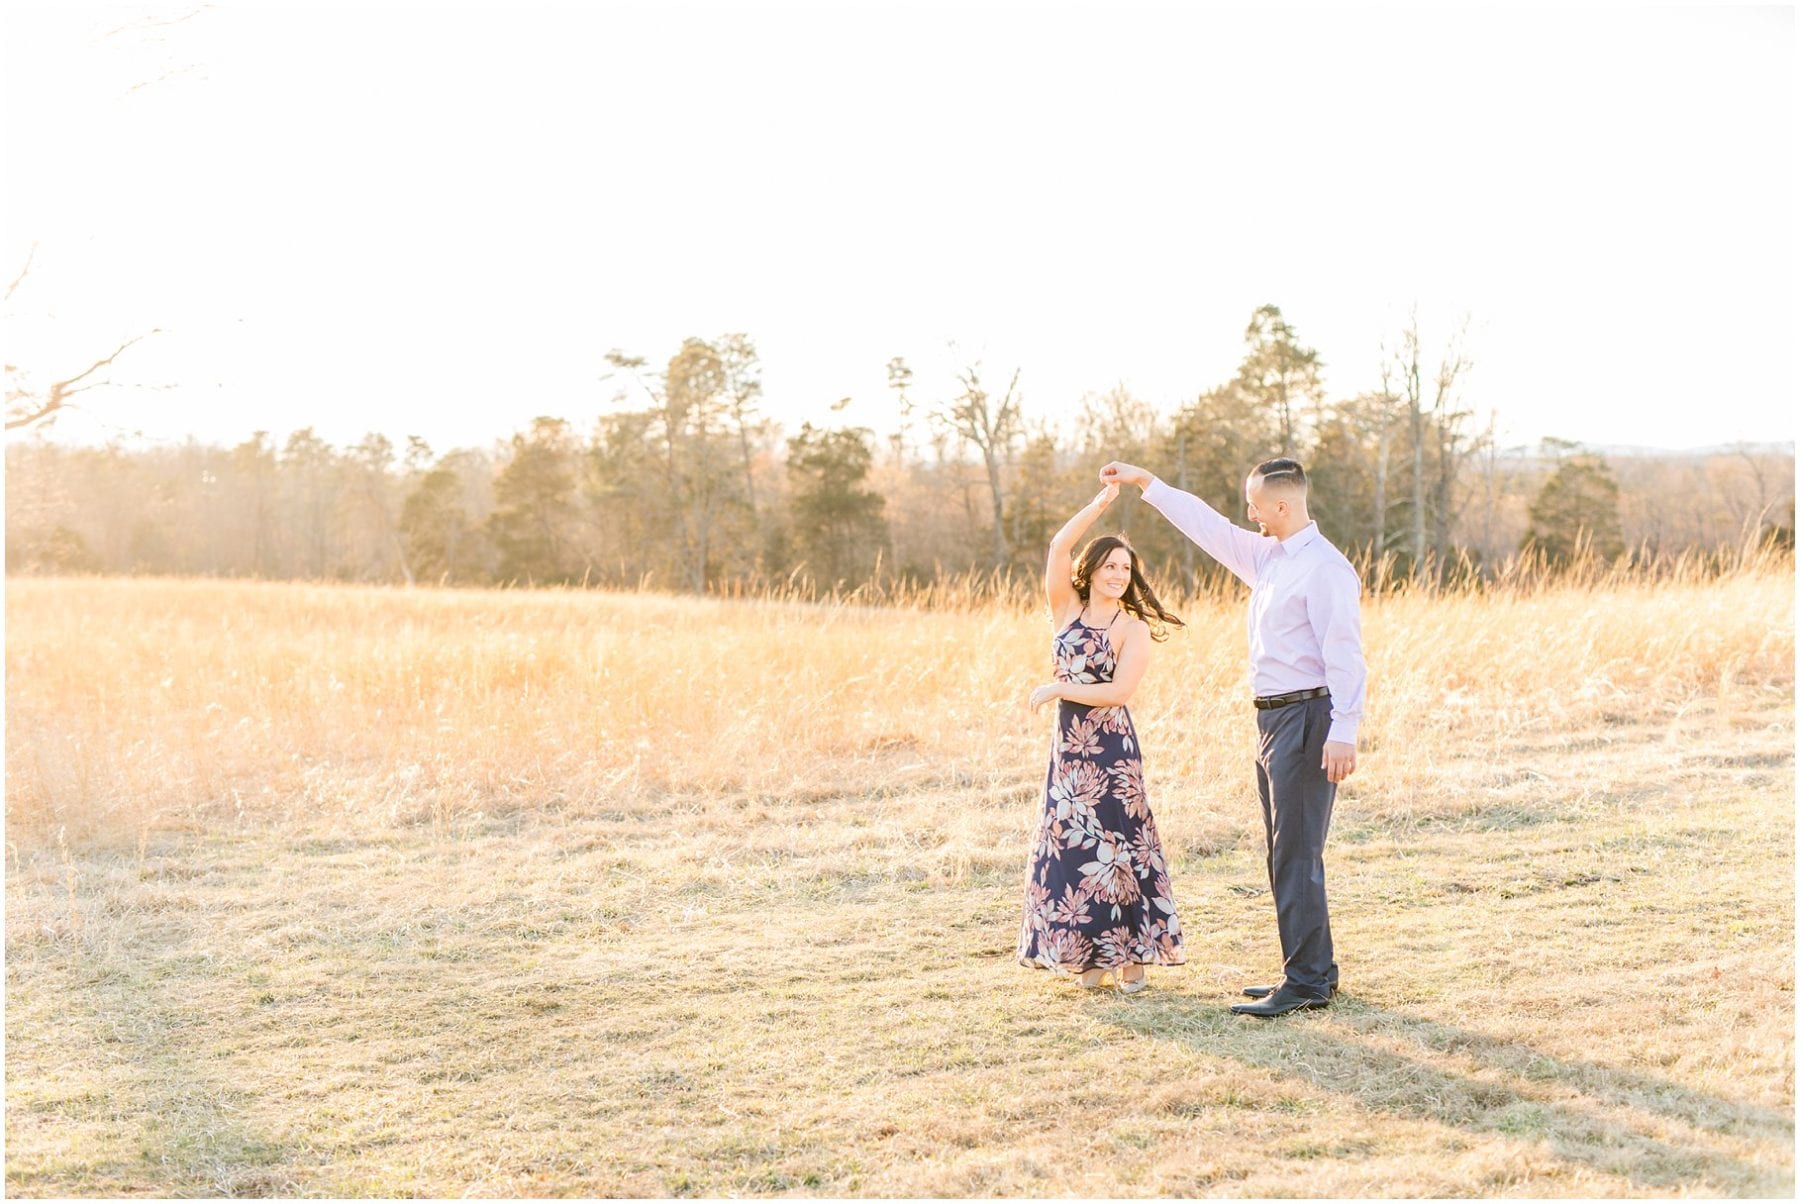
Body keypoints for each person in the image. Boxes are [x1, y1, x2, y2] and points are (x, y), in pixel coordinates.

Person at [1099, 457, 1366, 1018]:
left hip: (1309, 719)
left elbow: (1345, 657)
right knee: (1283, 852)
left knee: (1296, 854)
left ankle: (1308, 983)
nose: (1248, 513)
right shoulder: (1268, 558)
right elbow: (1209, 527)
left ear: (1283, 506)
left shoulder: (1324, 569)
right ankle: (1311, 967)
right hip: (1271, 721)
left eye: (1255, 504)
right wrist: (1149, 484)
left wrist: (1345, 729)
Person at [1017, 482, 1187, 994]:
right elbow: (1057, 548)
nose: (1118, 575)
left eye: (1126, 569)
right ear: (1091, 571)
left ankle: (1132, 958)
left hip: (1111, 752)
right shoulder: (1065, 609)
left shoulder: (1131, 628)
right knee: (1073, 850)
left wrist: (1057, 687)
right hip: (1069, 751)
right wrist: (1101, 504)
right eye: (1110, 565)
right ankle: (1091, 956)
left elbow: (1118, 691)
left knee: (1120, 848)